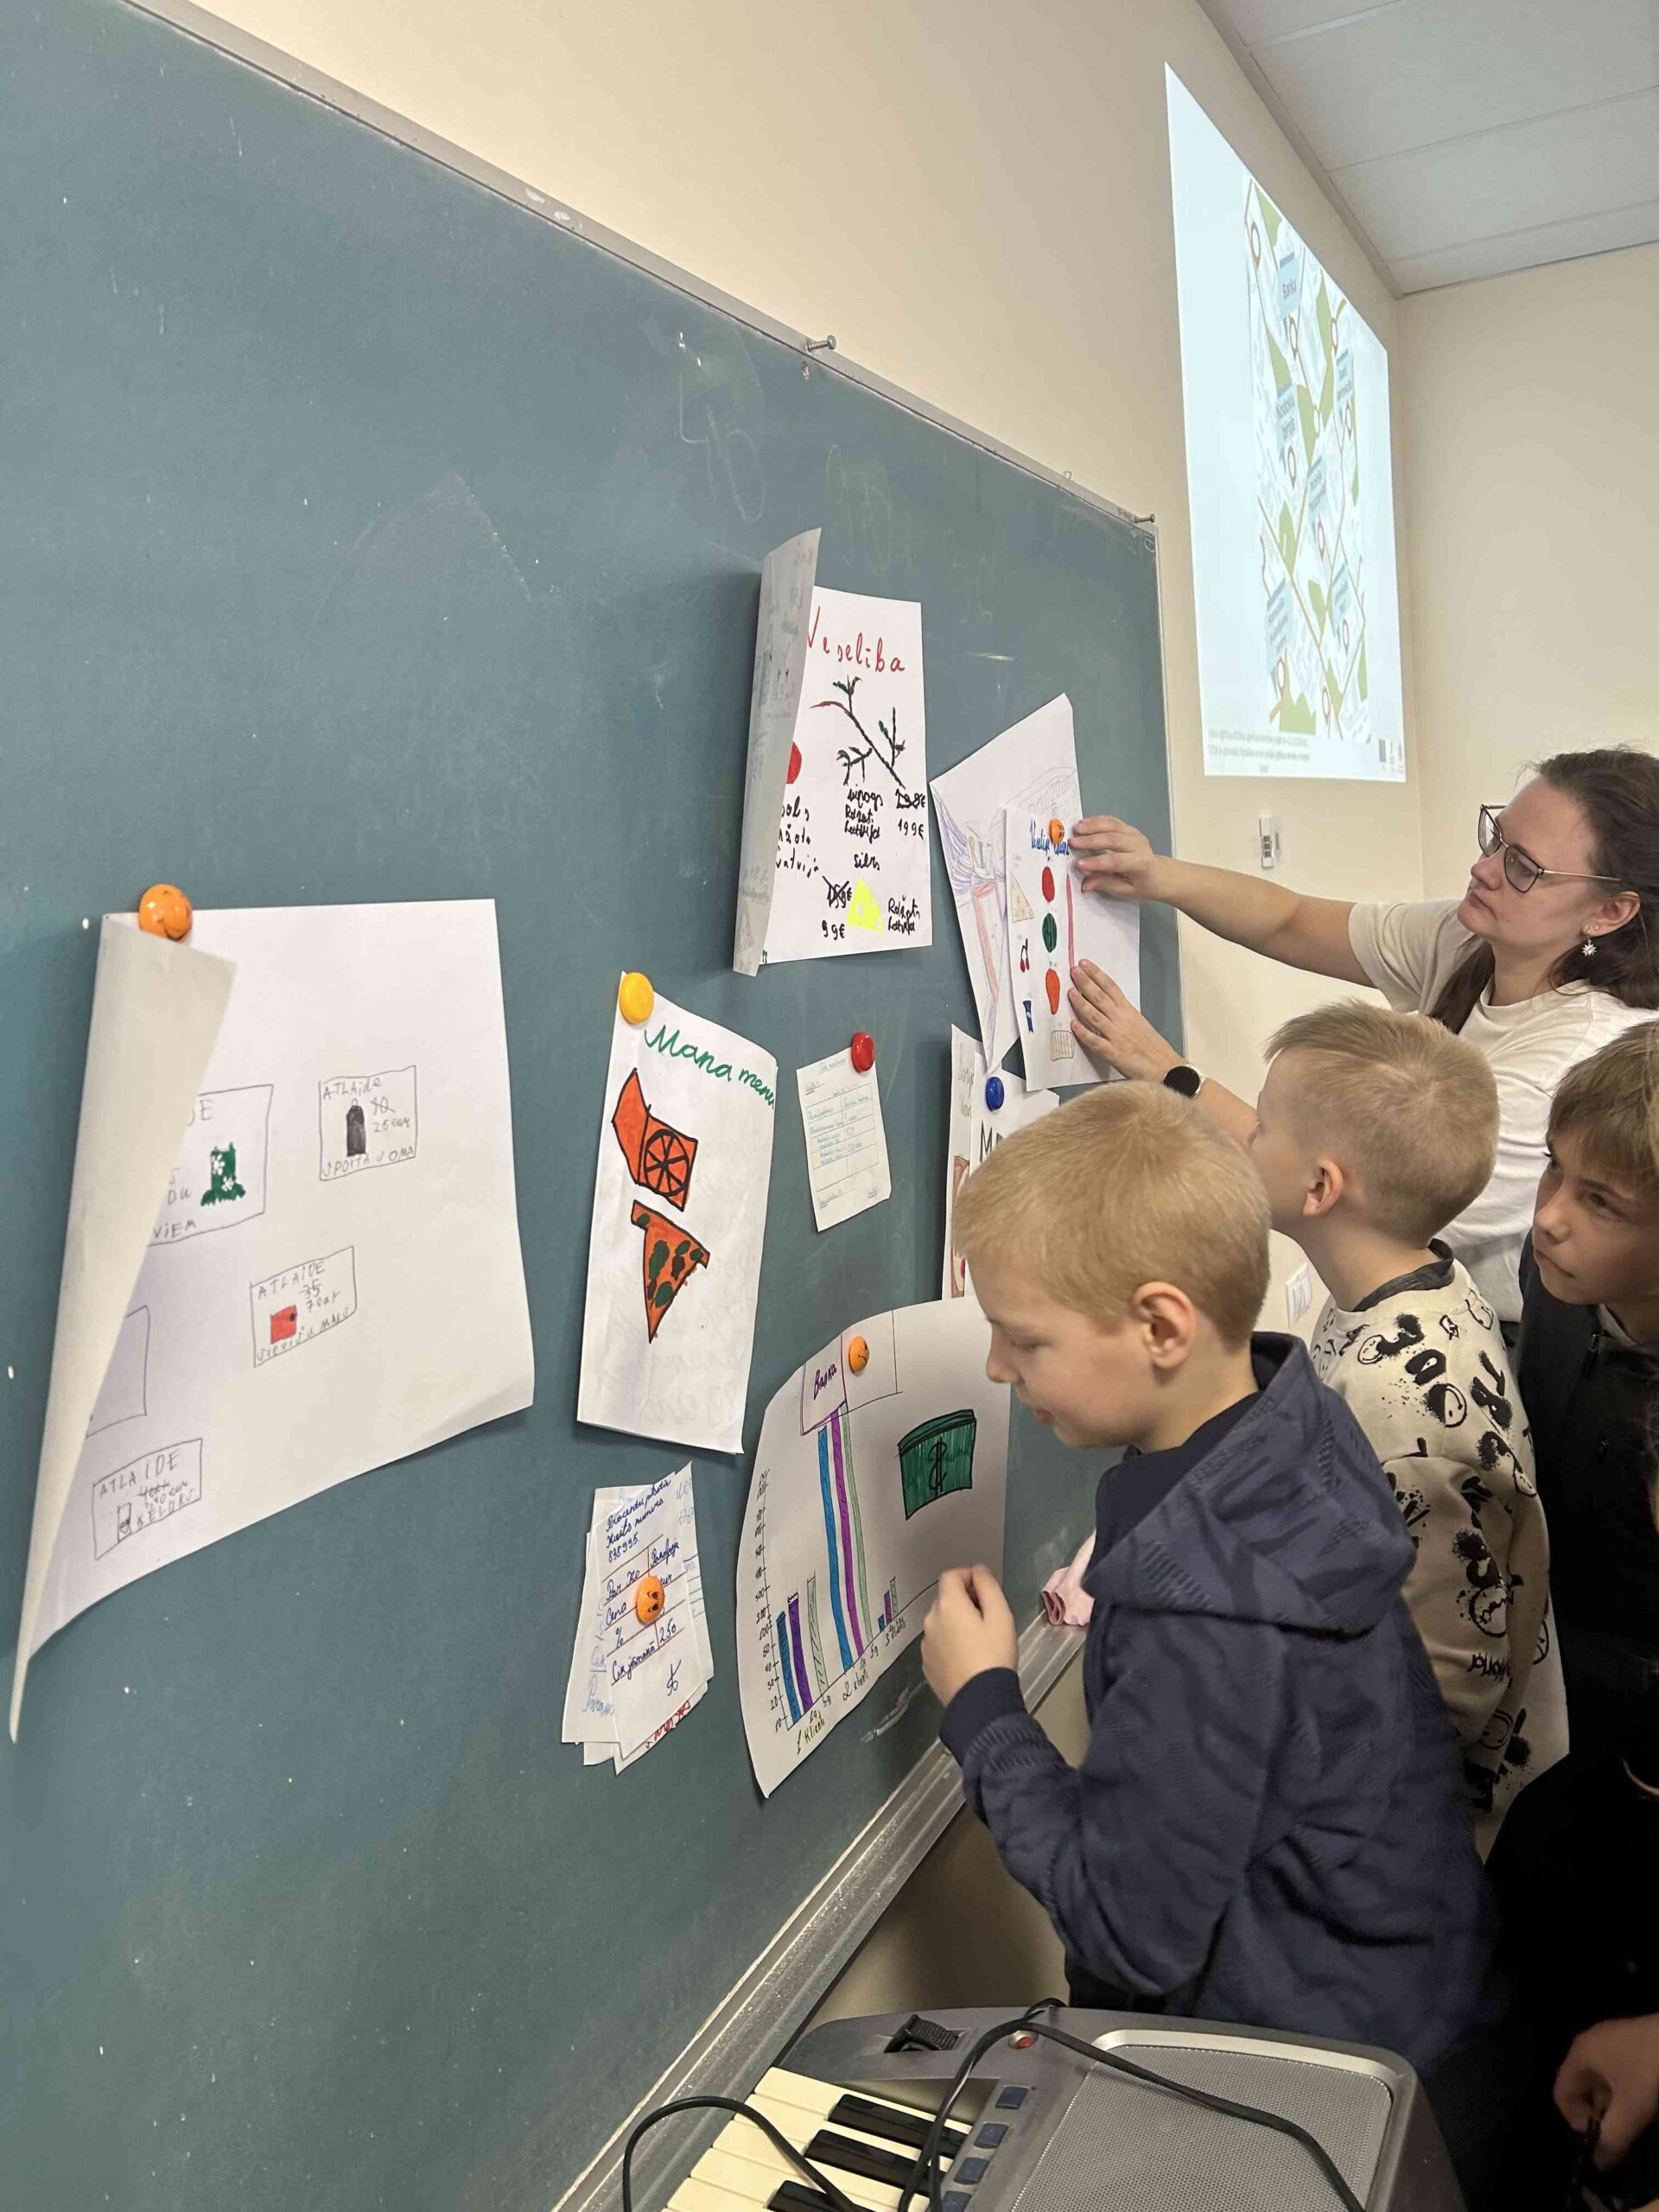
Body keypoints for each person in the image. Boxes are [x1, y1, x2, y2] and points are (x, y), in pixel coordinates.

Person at [920, 1083, 1509, 2102]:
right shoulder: (1295, 1414)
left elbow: (1127, 1929)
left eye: (1025, 1338)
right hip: (1412, 1996)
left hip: (1326, 2080)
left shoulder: (1203, 1620)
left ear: (1161, 1326)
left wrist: (984, 1711)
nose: (996, 1364)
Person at [1064, 747, 1659, 1324]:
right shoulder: (1471, 939)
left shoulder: (1571, 1060)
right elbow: (1292, 920)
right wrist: (1156, 874)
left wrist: (1167, 1072)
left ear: (1609, 913)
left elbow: (1334, 1196)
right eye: (1495, 838)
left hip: (1493, 1343)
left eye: (1523, 868)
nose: (1483, 869)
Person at [1249, 1001, 1567, 1853]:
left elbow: (1449, 1681)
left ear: (1321, 1188)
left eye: (1262, 1123)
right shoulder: (1414, 1279)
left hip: (1418, 1825)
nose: (1245, 1136)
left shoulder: (1399, 1401)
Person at [1483, 1025, 1659, 2202]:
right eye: (1554, 1168)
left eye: (1600, 1200)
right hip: (1568, 1732)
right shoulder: (1559, 1291)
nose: (1548, 1216)